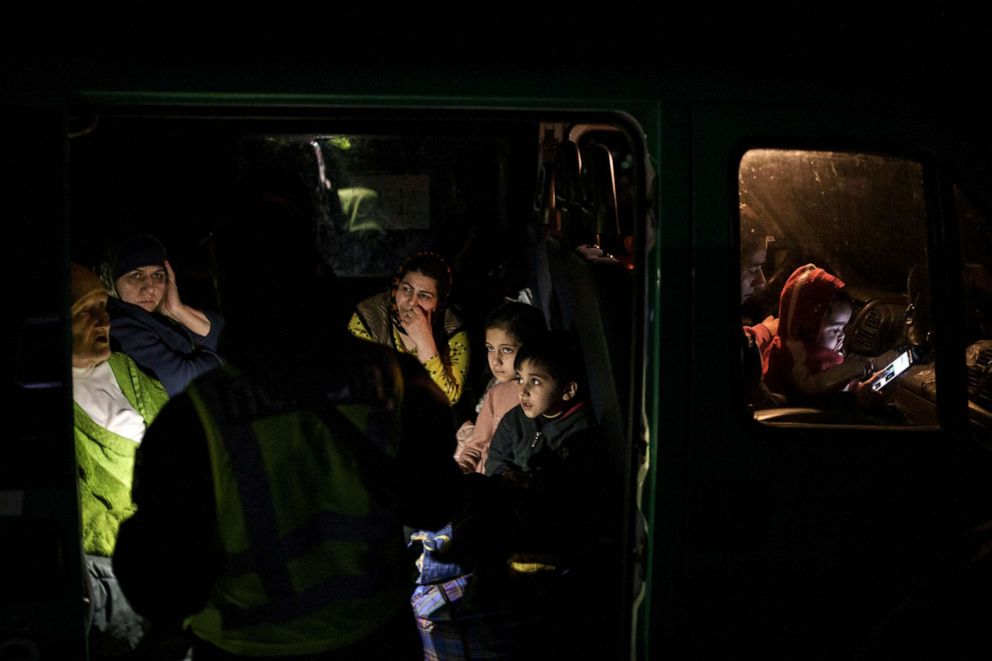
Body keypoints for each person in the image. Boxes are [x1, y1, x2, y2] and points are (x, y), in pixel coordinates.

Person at [113, 172, 463, 660]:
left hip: (246, 647)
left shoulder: (194, 420)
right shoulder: (395, 379)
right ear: (317, 270)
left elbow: (163, 590)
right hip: (375, 639)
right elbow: (434, 503)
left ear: (227, 289)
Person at [70, 262, 170, 657]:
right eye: (84, 310)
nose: (103, 320)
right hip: (112, 571)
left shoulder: (123, 367)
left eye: (103, 306)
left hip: (169, 548)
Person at [104, 233, 224, 396]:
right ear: (113, 282)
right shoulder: (117, 323)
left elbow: (225, 335)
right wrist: (223, 359)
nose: (150, 288)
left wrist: (179, 311)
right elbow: (181, 380)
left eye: (157, 276)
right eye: (136, 276)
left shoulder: (162, 317)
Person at [348, 252, 470, 406]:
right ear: (395, 288)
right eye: (406, 289)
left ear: (439, 304)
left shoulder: (451, 329)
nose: (412, 302)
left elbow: (448, 399)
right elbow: (357, 386)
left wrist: (426, 343)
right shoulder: (369, 318)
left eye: (424, 296)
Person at [760, 263, 888, 407]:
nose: (842, 336)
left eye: (843, 328)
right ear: (808, 325)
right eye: (835, 330)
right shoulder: (793, 350)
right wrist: (852, 369)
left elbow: (830, 385)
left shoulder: (818, 351)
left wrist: (856, 389)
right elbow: (811, 388)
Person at [453, 301, 547, 474]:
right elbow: (476, 446)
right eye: (490, 348)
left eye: (506, 350)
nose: (495, 360)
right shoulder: (495, 395)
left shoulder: (541, 395)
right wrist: (463, 469)